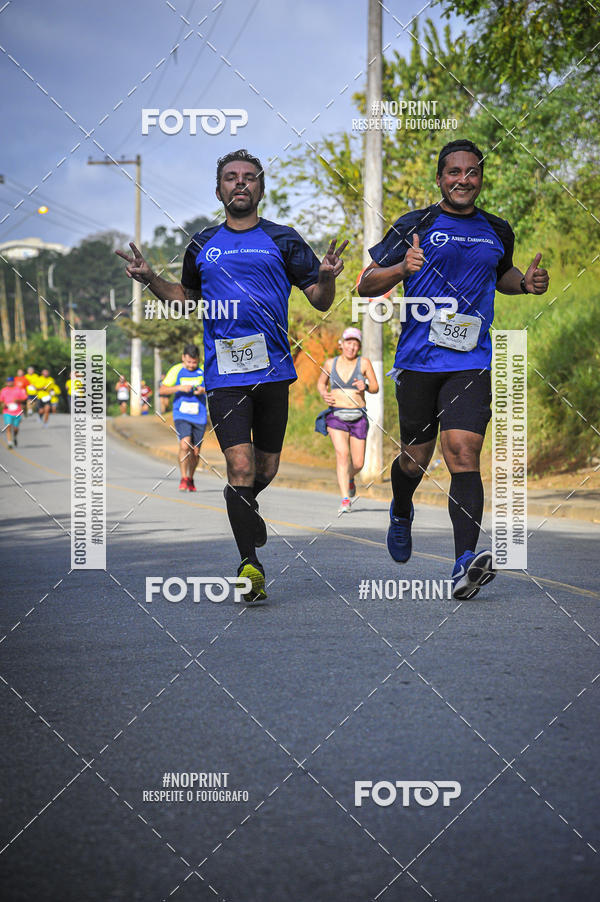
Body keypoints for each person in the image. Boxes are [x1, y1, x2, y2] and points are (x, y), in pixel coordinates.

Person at [117, 148, 347, 601]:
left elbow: (319, 299)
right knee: (238, 465)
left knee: (267, 466)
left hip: (274, 370)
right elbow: (185, 298)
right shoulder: (201, 244)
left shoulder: (284, 240)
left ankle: (246, 507)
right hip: (224, 375)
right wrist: (150, 281)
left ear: (261, 187)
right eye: (231, 177)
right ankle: (250, 565)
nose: (240, 183)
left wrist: (328, 276)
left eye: (249, 177)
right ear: (218, 188)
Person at [358, 139, 548, 600]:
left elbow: (499, 274)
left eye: (472, 172)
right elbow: (366, 283)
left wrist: (523, 284)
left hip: (472, 360)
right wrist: (403, 266)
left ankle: (464, 563)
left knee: (463, 452)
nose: (463, 179)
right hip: (420, 361)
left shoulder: (497, 229)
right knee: (415, 459)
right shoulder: (416, 224)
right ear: (440, 178)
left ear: (481, 178)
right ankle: (401, 506)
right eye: (454, 172)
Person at [316, 327, 379, 513]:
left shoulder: (363, 363)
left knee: (358, 463)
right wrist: (324, 394)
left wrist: (365, 385)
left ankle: (350, 477)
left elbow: (375, 387)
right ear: (341, 344)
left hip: (358, 416)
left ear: (358, 347)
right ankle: (345, 499)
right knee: (342, 455)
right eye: (349, 343)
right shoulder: (330, 363)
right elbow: (321, 383)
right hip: (337, 416)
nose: (351, 347)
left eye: (355, 344)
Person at [160, 345, 207, 492]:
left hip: (199, 415)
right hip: (181, 414)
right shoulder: (176, 370)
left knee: (195, 451)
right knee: (184, 445)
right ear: (183, 358)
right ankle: (183, 477)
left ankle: (191, 478)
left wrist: (203, 390)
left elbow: (215, 387)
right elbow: (162, 390)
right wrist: (179, 387)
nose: (191, 365)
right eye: (188, 362)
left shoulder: (204, 370)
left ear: (198, 360)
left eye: (194, 362)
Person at [1, 375, 27, 448]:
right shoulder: (4, 390)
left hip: (17, 412)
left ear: (13, 382)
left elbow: (24, 398)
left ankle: (15, 437)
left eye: (10, 381)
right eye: (7, 382)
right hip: (7, 411)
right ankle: (9, 442)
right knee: (8, 426)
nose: (9, 383)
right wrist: (3, 404)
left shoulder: (18, 389)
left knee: (16, 428)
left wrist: (18, 400)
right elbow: (1, 400)